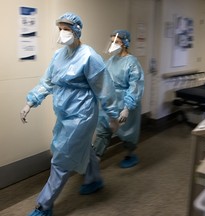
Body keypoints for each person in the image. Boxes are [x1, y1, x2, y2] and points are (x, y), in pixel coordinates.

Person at [20, 12, 119, 216]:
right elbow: (47, 81)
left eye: (67, 29)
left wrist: (113, 115)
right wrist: (31, 101)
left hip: (82, 114)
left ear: (76, 30)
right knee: (83, 148)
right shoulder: (59, 55)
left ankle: (44, 206)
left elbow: (105, 89)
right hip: (65, 112)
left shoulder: (90, 56)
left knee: (62, 157)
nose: (63, 33)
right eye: (60, 29)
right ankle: (94, 179)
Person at [92, 30, 144, 168]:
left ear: (125, 43)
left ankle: (130, 154)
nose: (112, 44)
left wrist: (127, 108)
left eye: (116, 41)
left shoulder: (132, 63)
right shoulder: (110, 60)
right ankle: (94, 161)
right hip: (110, 103)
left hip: (126, 104)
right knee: (103, 130)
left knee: (128, 133)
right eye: (111, 41)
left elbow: (135, 86)